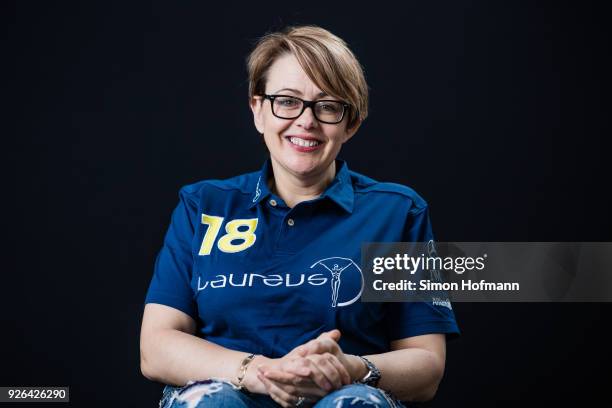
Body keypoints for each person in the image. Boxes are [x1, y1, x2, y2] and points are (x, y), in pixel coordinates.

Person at [140, 25, 460, 408]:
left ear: (351, 123)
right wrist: (260, 372)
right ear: (258, 110)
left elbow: (427, 365)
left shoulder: (397, 212)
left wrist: (352, 369)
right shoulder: (203, 205)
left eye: (327, 106)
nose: (306, 121)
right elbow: (156, 346)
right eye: (287, 101)